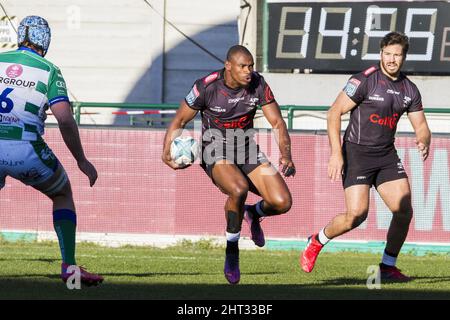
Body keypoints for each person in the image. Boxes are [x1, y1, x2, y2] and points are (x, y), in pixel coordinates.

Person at [301, 32, 431, 282]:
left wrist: (423, 140)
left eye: (397, 55)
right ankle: (317, 240)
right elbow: (333, 113)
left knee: (403, 210)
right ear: (381, 53)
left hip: (386, 156)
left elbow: (422, 125)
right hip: (357, 153)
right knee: (356, 215)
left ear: (404, 57)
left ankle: (387, 266)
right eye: (388, 53)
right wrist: (336, 154)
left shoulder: (409, 89)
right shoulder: (364, 80)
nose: (392, 59)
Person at [162, 45, 295, 284]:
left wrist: (286, 155)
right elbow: (180, 118)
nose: (248, 71)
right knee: (238, 188)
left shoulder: (258, 84)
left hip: (246, 149)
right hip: (214, 150)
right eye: (243, 66)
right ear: (228, 66)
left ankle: (252, 213)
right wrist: (166, 153)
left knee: (282, 202)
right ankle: (232, 251)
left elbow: (277, 122)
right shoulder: (206, 86)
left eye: (251, 66)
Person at [0, 16, 103, 286]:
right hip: (25, 148)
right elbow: (65, 119)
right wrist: (82, 160)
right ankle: (69, 266)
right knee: (62, 192)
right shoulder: (49, 70)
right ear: (44, 40)